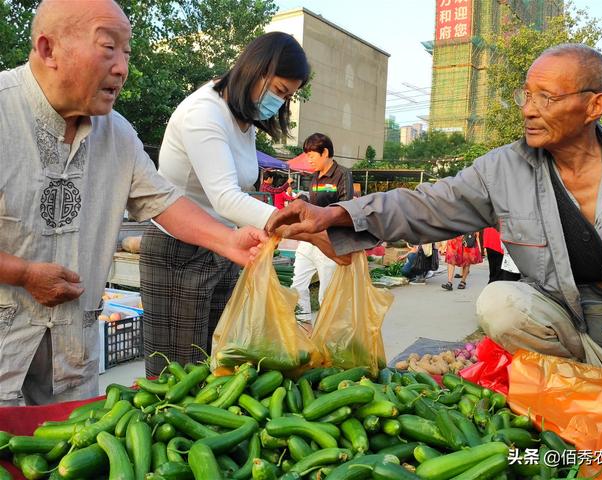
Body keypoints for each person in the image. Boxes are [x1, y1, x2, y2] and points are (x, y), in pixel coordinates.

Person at [267, 44, 602, 384]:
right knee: (501, 304)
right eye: (526, 95)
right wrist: (335, 215)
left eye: (546, 97)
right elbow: (427, 204)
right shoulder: (503, 170)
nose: (528, 109)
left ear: (595, 106)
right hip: (573, 332)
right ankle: (590, 384)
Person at [0, 0, 267, 405]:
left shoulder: (118, 134)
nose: (122, 68)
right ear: (48, 49)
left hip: (71, 362)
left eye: (126, 52)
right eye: (108, 48)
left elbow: (163, 200)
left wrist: (227, 240)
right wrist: (22, 273)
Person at [139, 32, 310, 376]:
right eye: (279, 91)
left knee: (220, 365)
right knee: (180, 375)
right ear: (256, 69)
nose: (281, 103)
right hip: (180, 253)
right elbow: (225, 197)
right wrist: (296, 225)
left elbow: (236, 195)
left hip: (223, 248)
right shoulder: (204, 113)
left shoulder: (241, 119)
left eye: (288, 96)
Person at [290, 133, 354, 326]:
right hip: (310, 239)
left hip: (330, 240)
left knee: (327, 292)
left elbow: (346, 207)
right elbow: (314, 205)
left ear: (325, 152)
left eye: (312, 155)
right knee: (297, 285)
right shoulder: (315, 177)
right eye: (307, 155)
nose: (309, 159)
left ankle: (328, 334)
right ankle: (304, 327)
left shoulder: (342, 174)